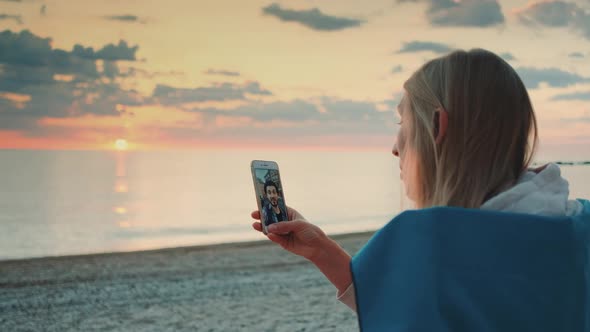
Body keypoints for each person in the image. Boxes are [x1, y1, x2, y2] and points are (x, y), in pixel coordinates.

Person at [250, 49, 590, 327]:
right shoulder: (578, 225)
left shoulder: (426, 245)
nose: (395, 147)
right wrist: (322, 251)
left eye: (403, 121)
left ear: (437, 125)